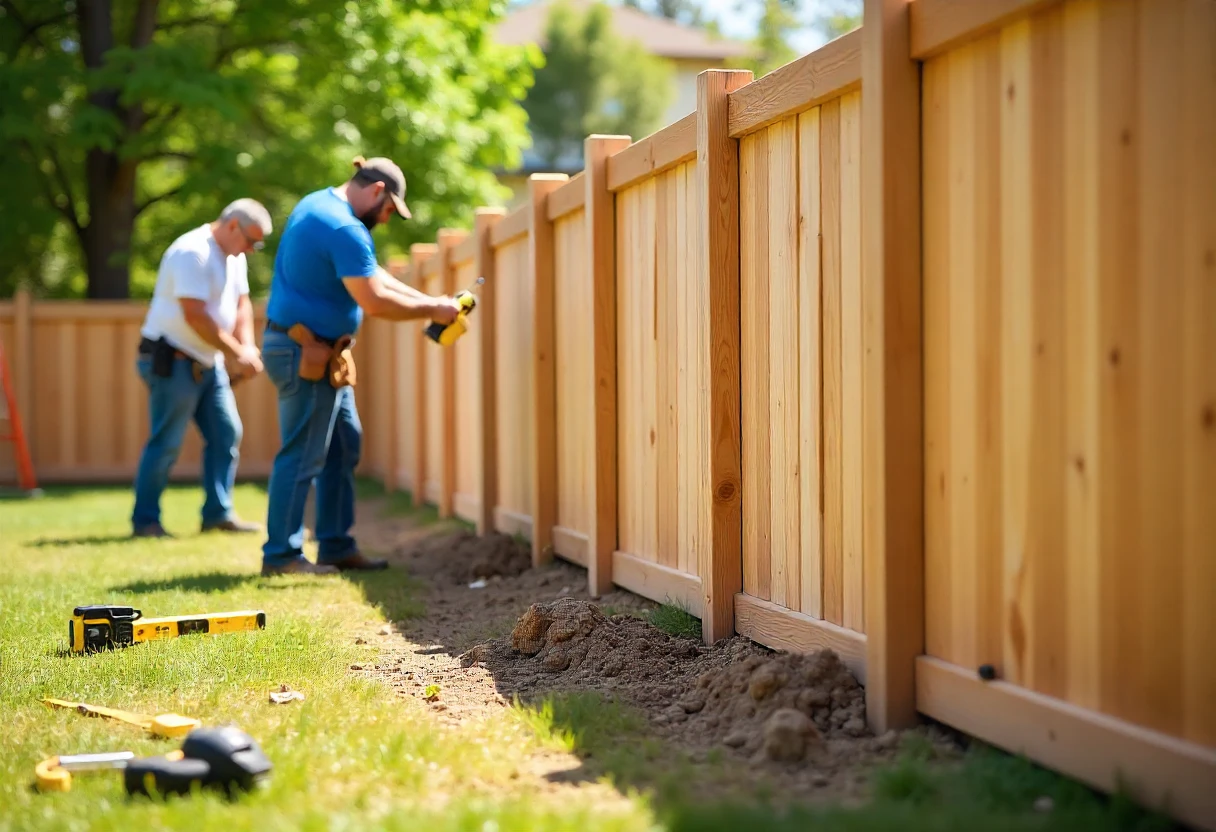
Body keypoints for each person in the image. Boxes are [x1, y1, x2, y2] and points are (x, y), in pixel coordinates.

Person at [259, 156, 461, 576]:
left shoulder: (320, 206)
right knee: (302, 454)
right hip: (307, 352)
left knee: (343, 443)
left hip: (317, 351)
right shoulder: (344, 227)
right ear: (377, 191)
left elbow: (376, 276)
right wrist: (434, 309)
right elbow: (373, 300)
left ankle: (334, 544)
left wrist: (434, 305)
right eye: (389, 210)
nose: (386, 220)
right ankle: (281, 556)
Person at [131, 198, 271, 538]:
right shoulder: (192, 252)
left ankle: (217, 514)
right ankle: (146, 521)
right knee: (166, 442)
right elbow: (195, 315)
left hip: (209, 362)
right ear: (232, 225)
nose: (252, 250)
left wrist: (247, 345)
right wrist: (237, 352)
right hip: (172, 359)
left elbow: (241, 305)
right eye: (250, 241)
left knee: (226, 433)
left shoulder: (234, 256)